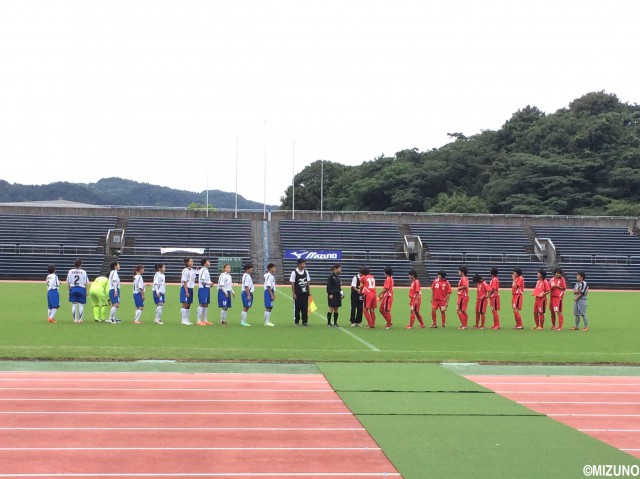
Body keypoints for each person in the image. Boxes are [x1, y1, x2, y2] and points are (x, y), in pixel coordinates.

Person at [66, 259, 89, 324]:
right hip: (81, 288)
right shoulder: (83, 272)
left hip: (73, 288)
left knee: (74, 304)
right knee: (81, 305)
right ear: (80, 264)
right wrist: (86, 291)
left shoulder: (70, 271)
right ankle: (80, 319)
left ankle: (75, 319)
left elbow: (68, 282)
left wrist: (69, 290)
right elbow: (85, 283)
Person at [290, 258, 311, 326]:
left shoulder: (306, 272)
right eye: (303, 264)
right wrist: (294, 293)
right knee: (297, 307)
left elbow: (308, 282)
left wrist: (309, 291)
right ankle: (297, 321)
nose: (304, 265)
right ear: (299, 264)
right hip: (298, 293)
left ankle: (305, 321)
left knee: (305, 307)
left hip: (305, 292)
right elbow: (292, 284)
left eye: (305, 264)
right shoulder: (294, 272)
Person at [180, 257, 197, 326]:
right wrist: (186, 291)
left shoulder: (192, 270)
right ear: (187, 263)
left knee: (189, 304)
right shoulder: (185, 271)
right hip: (185, 288)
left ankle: (187, 319)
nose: (192, 263)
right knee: (185, 304)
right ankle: (183, 320)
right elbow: (184, 282)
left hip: (191, 288)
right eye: (190, 261)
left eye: (192, 261)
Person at [197, 258, 213, 326]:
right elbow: (203, 281)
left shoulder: (206, 270)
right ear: (204, 264)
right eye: (208, 262)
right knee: (202, 304)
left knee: (206, 304)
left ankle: (205, 320)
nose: (209, 263)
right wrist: (210, 283)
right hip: (203, 288)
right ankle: (198, 320)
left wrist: (209, 285)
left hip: (206, 288)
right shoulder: (203, 270)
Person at [326, 263, 342, 327]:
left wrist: (341, 292)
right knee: (331, 308)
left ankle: (335, 323)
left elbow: (339, 286)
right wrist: (330, 294)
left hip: (337, 294)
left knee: (336, 308)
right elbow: (328, 286)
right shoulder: (331, 276)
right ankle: (329, 323)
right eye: (339, 269)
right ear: (335, 269)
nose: (340, 270)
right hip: (332, 294)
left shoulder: (338, 277)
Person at [456, 265, 469, 330]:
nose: (458, 272)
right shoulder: (464, 278)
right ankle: (464, 325)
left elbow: (465, 286)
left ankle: (464, 325)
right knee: (463, 311)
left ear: (462, 271)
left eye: (459, 270)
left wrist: (459, 288)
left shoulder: (463, 278)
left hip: (463, 296)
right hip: (463, 296)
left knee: (459, 310)